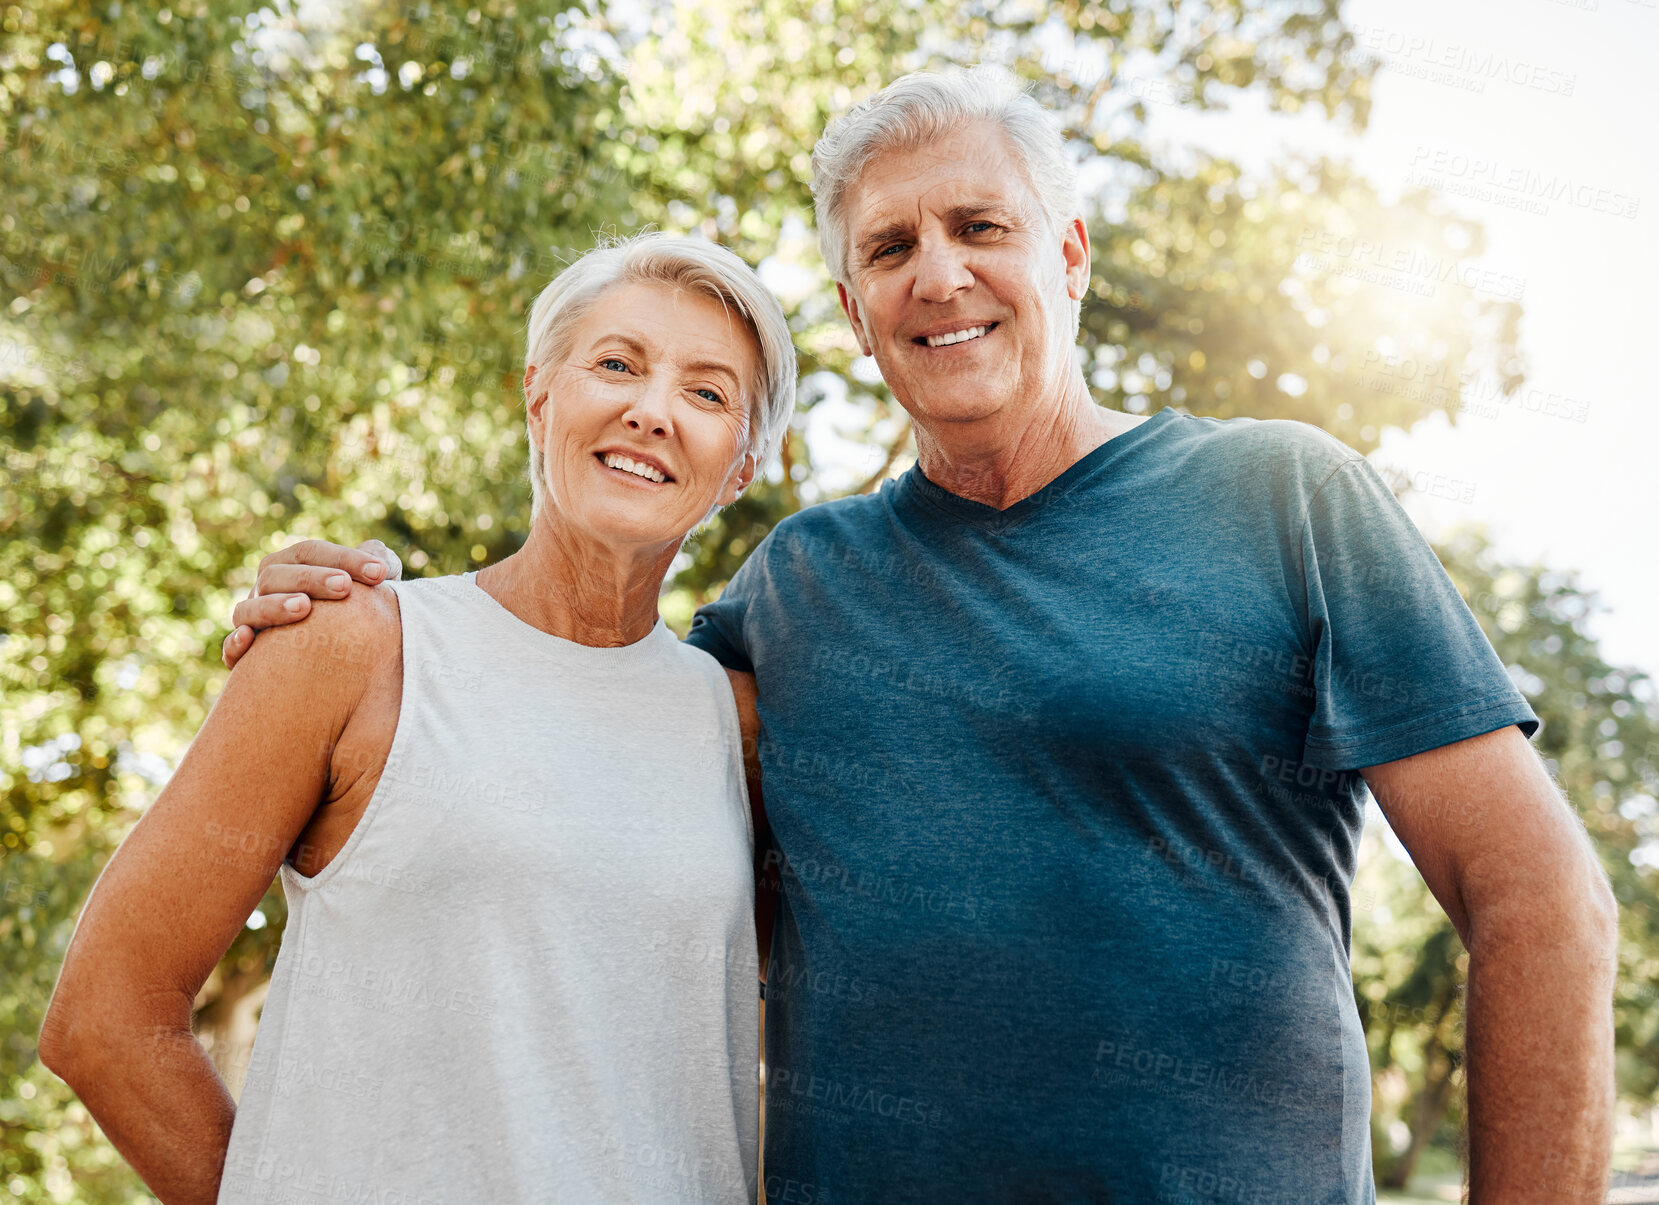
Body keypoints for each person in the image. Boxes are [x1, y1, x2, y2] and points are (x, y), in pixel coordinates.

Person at [222, 68, 1618, 1202]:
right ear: (853, 313)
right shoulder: (791, 590)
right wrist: (357, 618)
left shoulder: (1279, 496)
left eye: (978, 227)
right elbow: (556, 747)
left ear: (1067, 256)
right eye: (888, 248)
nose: (935, 273)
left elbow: (1536, 896)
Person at [39, 234, 797, 1205]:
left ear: (739, 466)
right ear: (540, 394)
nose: (651, 410)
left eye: (707, 392)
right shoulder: (355, 644)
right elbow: (106, 1016)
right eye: (617, 364)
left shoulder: (739, 726)